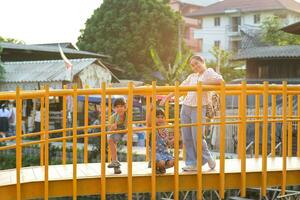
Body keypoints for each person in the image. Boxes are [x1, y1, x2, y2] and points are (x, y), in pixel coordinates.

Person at [160, 55, 223, 171]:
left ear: (203, 61)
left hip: (199, 107)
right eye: (193, 65)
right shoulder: (191, 76)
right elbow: (180, 88)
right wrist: (167, 98)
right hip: (186, 107)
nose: (195, 67)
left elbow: (220, 81)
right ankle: (192, 163)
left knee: (198, 137)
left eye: (197, 63)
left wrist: (203, 85)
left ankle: (208, 158)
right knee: (187, 137)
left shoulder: (208, 72)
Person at [146, 105, 174, 174]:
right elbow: (148, 122)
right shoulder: (154, 128)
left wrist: (171, 141)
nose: (160, 119)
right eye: (158, 117)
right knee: (161, 162)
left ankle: (162, 167)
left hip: (164, 152)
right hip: (155, 153)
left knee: (172, 162)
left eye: (162, 117)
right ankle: (156, 166)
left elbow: (167, 143)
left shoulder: (166, 130)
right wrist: (150, 111)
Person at [107, 97, 127, 174]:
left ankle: (115, 163)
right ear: (114, 109)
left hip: (125, 131)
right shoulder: (113, 117)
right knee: (111, 140)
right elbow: (110, 129)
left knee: (111, 140)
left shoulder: (127, 114)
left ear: (125, 108)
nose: (119, 109)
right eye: (117, 107)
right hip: (117, 132)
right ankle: (115, 163)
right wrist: (113, 127)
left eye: (121, 106)